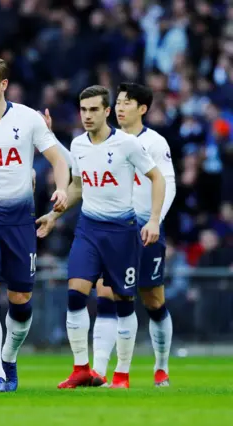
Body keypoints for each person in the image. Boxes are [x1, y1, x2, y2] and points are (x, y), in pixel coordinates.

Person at [35, 85, 166, 389]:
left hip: (122, 233)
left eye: (94, 110)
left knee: (124, 303)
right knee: (75, 294)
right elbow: (79, 186)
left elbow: (157, 178)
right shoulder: (78, 144)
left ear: (107, 112)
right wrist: (55, 216)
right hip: (89, 229)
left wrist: (155, 220)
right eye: (83, 110)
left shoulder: (127, 144)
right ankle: (81, 367)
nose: (87, 115)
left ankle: (121, 374)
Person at [0, 54, 70, 392]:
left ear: (3, 84)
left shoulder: (28, 119)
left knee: (21, 301)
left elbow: (58, 159)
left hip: (20, 221)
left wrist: (62, 188)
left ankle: (8, 358)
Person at [90, 82, 176, 387]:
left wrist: (155, 221)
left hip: (145, 229)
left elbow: (168, 183)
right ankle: (102, 370)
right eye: (119, 102)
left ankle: (161, 366)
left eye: (128, 102)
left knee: (152, 299)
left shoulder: (154, 142)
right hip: (111, 230)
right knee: (107, 293)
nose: (121, 107)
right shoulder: (103, 140)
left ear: (143, 108)